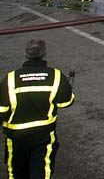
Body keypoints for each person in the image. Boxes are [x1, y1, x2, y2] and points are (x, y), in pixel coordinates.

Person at [0, 39, 75, 179]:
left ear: (25, 54)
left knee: (16, 172)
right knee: (40, 172)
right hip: (43, 135)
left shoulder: (10, 78)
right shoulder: (56, 76)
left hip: (16, 137)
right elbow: (66, 102)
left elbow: (1, 110)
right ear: (44, 54)